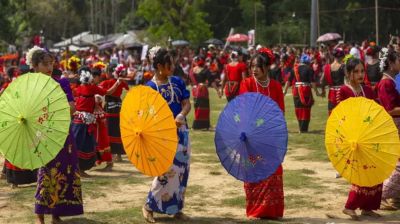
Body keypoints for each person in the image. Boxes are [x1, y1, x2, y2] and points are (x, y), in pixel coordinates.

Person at [25, 46, 83, 224]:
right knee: (46, 172)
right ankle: (41, 213)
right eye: (45, 64)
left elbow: (72, 108)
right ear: (35, 66)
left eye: (51, 63)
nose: (49, 67)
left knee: (66, 169)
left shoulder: (62, 82)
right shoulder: (29, 87)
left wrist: (56, 109)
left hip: (63, 134)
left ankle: (57, 213)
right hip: (43, 135)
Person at [142, 47, 191, 223]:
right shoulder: (150, 87)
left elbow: (186, 104)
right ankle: (149, 206)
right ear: (160, 66)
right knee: (165, 171)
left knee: (182, 171)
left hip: (182, 132)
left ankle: (176, 209)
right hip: (162, 135)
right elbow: (146, 114)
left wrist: (181, 115)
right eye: (170, 63)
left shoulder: (177, 82)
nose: (173, 66)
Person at [239, 48, 285, 220]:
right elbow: (245, 108)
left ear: (267, 67)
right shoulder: (248, 84)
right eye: (252, 66)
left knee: (274, 171)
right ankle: (255, 211)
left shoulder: (276, 86)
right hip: (252, 136)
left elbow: (280, 111)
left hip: (271, 136)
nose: (254, 70)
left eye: (257, 66)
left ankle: (273, 211)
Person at [337, 56, 382, 220]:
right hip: (353, 138)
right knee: (362, 172)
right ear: (348, 73)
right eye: (356, 71)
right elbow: (341, 116)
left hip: (369, 135)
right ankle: (350, 206)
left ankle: (368, 207)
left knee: (376, 169)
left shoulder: (368, 90)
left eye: (362, 71)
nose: (360, 74)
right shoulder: (344, 91)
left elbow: (375, 111)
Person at [71, 67, 120, 177]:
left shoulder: (78, 88)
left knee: (78, 145)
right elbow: (108, 92)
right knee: (85, 145)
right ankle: (79, 170)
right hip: (86, 121)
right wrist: (117, 83)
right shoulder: (91, 88)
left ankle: (78, 169)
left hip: (78, 119)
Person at [376, 48, 400, 210]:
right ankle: (381, 195)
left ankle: (395, 198)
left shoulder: (390, 81)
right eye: (398, 59)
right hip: (394, 126)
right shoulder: (386, 83)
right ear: (391, 63)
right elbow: (390, 109)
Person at [99, 64, 129, 162]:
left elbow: (100, 92)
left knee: (109, 131)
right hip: (119, 108)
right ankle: (119, 155)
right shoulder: (120, 82)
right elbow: (128, 89)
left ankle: (111, 154)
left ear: (108, 73)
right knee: (118, 131)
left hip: (109, 109)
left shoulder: (105, 82)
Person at [284, 54, 318, 133]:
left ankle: (301, 128)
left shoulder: (294, 69)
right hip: (306, 90)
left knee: (298, 109)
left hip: (297, 91)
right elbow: (312, 82)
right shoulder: (309, 69)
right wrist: (317, 92)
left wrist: (285, 91)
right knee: (306, 110)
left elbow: (288, 81)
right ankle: (304, 129)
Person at [190, 56, 218, 130]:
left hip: (195, 90)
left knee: (197, 107)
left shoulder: (192, 70)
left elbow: (190, 80)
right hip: (202, 90)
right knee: (204, 108)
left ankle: (197, 125)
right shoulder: (205, 70)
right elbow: (211, 81)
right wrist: (217, 90)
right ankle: (204, 125)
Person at [321, 48, 346, 115]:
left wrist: (323, 90)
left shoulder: (327, 67)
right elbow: (349, 79)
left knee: (332, 114)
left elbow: (321, 81)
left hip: (331, 93)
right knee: (342, 114)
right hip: (341, 93)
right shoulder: (343, 66)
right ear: (342, 56)